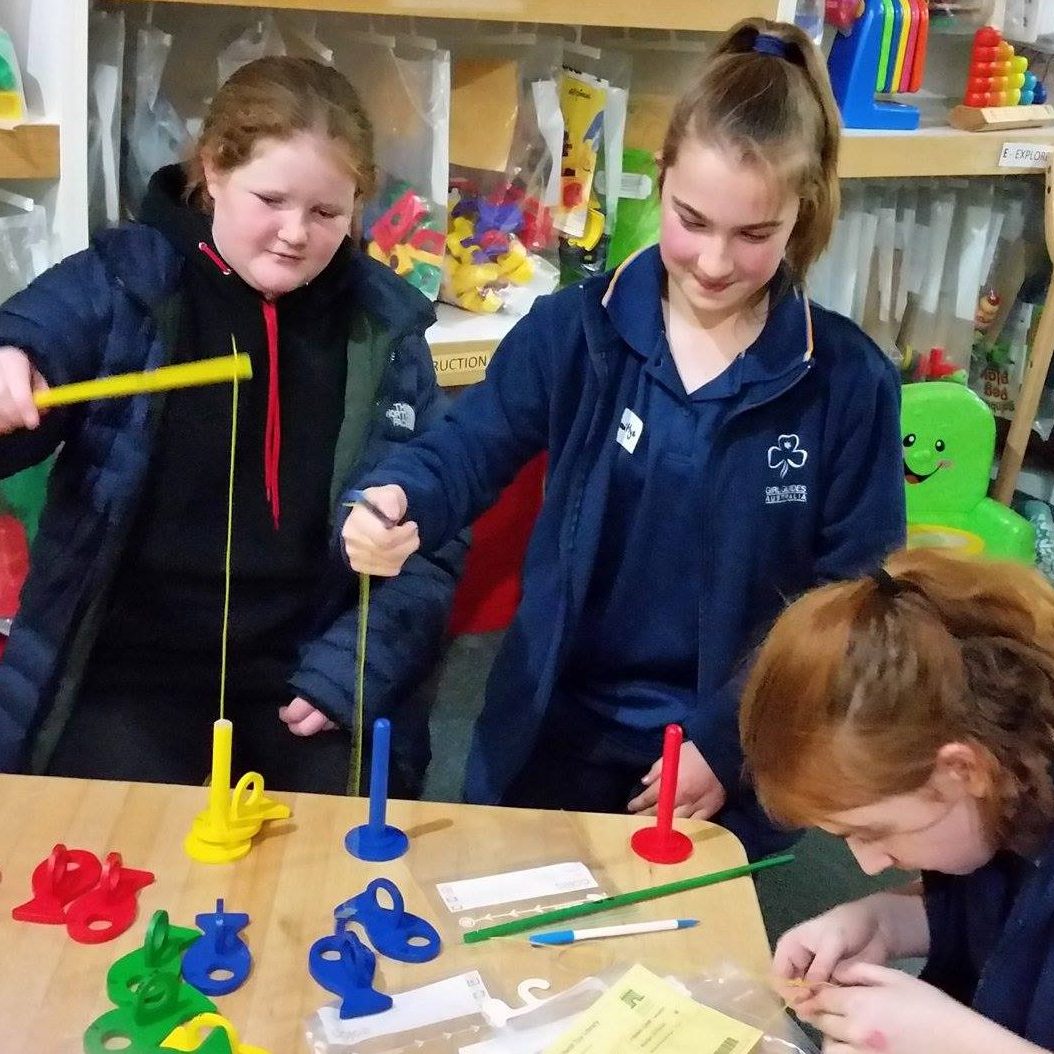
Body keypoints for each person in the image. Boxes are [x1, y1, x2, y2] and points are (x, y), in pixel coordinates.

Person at [341, 17, 905, 858]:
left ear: (804, 213)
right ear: (661, 179)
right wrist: (398, 496)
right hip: (553, 720)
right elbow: (467, 447)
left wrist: (730, 737)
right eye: (691, 219)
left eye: (755, 234)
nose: (714, 261)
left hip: (730, 740)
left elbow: (854, 595)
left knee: (686, 968)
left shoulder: (849, 381)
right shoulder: (574, 330)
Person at [0, 56, 464, 796]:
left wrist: (347, 673)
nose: (294, 235)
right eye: (270, 199)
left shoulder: (384, 327)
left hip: (302, 668)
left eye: (326, 214)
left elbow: (434, 540)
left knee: (323, 876)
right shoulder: (125, 281)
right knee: (124, 858)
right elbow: (33, 331)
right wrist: (11, 362)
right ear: (213, 170)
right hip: (125, 672)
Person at [740, 548, 1054, 1053]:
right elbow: (996, 918)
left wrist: (956, 1041)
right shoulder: (1010, 793)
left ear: (962, 769)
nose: (866, 864)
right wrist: (882, 922)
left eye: (874, 832)